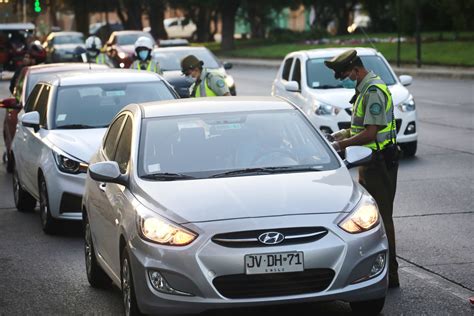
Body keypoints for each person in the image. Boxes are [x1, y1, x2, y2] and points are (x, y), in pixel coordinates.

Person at [324, 49, 400, 288]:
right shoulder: (364, 89)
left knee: (382, 218)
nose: (347, 79)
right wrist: (335, 135)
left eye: (347, 74)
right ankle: (381, 271)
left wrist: (339, 145)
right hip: (369, 160)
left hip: (379, 162)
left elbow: (370, 133)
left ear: (356, 69)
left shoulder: (373, 91)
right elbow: (359, 128)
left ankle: (392, 274)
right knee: (373, 216)